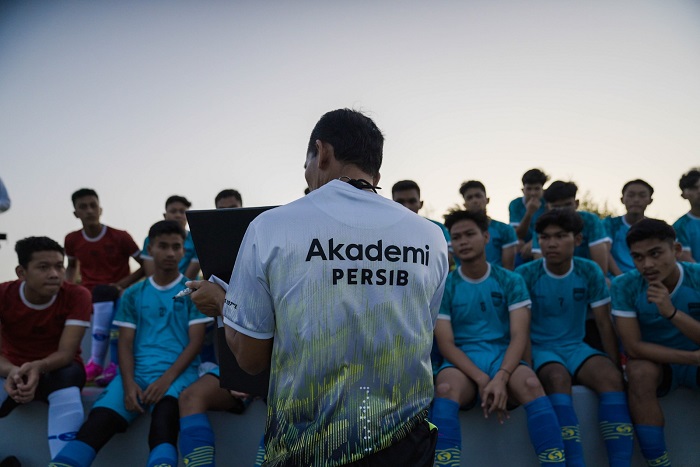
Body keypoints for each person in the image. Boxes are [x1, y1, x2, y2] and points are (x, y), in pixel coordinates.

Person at [189, 108, 449, 466]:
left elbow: (250, 359)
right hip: (406, 446)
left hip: (308, 449)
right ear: (376, 171)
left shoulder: (271, 227)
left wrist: (224, 302)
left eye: (307, 164)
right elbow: (419, 329)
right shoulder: (430, 237)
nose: (308, 176)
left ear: (321, 151)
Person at [50, 220, 213, 467]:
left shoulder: (194, 291)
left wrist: (165, 381)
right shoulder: (133, 294)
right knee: (96, 425)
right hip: (135, 375)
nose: (170, 253)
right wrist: (127, 385)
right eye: (163, 246)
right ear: (150, 249)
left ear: (183, 250)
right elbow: (124, 345)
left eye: (176, 247)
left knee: (163, 424)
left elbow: (196, 342)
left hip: (178, 376)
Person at [432, 209, 565, 467]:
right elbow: (446, 344)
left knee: (530, 384)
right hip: (465, 359)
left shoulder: (510, 279)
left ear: (486, 237)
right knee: (445, 388)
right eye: (456, 237)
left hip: (504, 355)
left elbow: (519, 335)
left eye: (470, 234)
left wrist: (501, 377)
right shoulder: (445, 285)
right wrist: (484, 380)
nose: (463, 241)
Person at [515, 210, 633, 467]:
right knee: (558, 378)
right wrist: (527, 367)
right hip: (543, 349)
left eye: (560, 236)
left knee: (610, 378)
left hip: (577, 347)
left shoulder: (589, 270)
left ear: (577, 240)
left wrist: (615, 363)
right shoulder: (526, 274)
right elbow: (520, 330)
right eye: (544, 237)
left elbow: (603, 323)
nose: (551, 243)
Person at [611, 219, 700, 467]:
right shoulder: (624, 285)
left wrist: (671, 313)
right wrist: (692, 358)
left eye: (655, 254)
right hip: (662, 364)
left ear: (677, 250)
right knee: (639, 371)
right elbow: (633, 347)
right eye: (638, 257)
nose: (647, 265)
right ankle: (659, 463)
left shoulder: (697, 277)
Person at [178, 190, 251, 467]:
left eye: (233, 209)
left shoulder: (269, 254)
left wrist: (254, 381)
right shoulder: (204, 275)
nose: (226, 216)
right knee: (190, 397)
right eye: (221, 210)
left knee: (286, 404)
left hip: (270, 369)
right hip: (226, 369)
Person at [0, 237, 91, 459]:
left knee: (67, 378)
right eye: (44, 267)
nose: (54, 274)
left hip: (57, 371)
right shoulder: (2, 295)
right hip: (12, 371)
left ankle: (63, 462)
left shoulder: (77, 295)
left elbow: (66, 353)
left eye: (59, 266)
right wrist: (12, 371)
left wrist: (36, 367)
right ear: (21, 272)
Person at [64, 188, 143, 385]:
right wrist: (65, 291)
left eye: (93, 206)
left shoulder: (120, 236)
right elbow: (71, 267)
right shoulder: (72, 239)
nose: (89, 211)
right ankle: (98, 364)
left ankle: (99, 362)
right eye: (83, 207)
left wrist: (120, 285)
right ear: (76, 213)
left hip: (118, 293)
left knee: (107, 294)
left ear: (100, 209)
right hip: (89, 295)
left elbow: (145, 266)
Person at [531, 181, 610, 275]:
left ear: (576, 204)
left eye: (567, 205)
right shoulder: (542, 223)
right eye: (556, 207)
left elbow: (601, 269)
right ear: (547, 207)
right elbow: (542, 266)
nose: (562, 211)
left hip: (587, 275)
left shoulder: (590, 220)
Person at [459, 180, 518, 270]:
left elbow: (508, 270)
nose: (475, 201)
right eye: (469, 198)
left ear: (487, 200)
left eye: (478, 196)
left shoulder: (505, 229)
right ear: (464, 204)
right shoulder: (457, 232)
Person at [141, 195, 200, 280]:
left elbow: (188, 279)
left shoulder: (196, 239)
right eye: (173, 211)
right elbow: (150, 274)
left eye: (182, 211)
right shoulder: (150, 239)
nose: (178, 215)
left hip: (188, 289)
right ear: (165, 215)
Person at [605, 179, 654, 277]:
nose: (636, 200)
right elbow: (605, 251)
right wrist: (621, 278)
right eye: (631, 195)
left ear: (650, 200)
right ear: (622, 199)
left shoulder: (655, 227)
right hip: (616, 280)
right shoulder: (610, 224)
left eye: (642, 195)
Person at [508, 168, 548, 266]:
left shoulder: (547, 202)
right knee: (516, 245)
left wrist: (533, 241)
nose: (532, 193)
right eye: (529, 189)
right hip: (522, 246)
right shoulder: (515, 204)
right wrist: (529, 213)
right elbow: (518, 235)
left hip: (542, 241)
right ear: (523, 190)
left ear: (543, 190)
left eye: (537, 189)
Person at [673, 168, 700, 263]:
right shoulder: (680, 226)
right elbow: (685, 258)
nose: (699, 191)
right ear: (683, 195)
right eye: (694, 188)